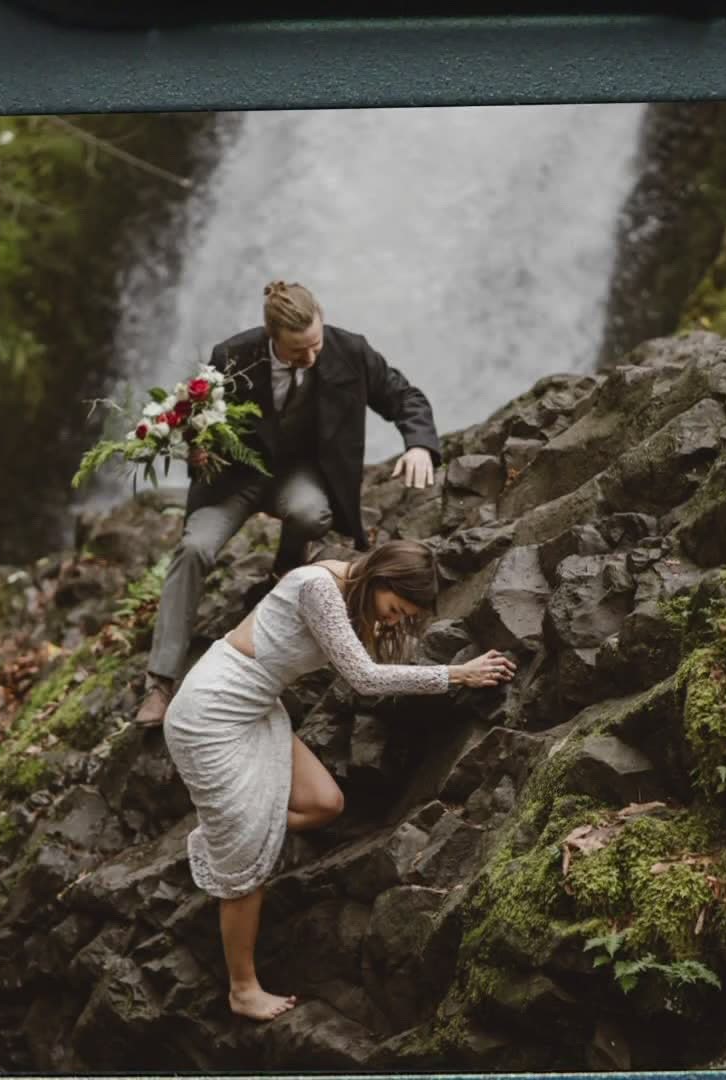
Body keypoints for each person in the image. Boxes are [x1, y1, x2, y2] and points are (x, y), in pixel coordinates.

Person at [161, 540, 517, 1021]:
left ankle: (233, 832)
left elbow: (377, 655)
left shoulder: (351, 590)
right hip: (209, 716)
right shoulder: (319, 588)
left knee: (324, 804)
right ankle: (242, 987)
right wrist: (457, 675)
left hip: (256, 708)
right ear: (379, 579)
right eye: (394, 609)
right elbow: (365, 679)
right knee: (245, 866)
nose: (393, 621)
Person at [135, 279, 443, 727]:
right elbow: (192, 422)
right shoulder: (233, 356)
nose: (311, 358)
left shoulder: (349, 350)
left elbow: (403, 396)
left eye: (315, 344)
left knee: (311, 512)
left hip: (298, 476)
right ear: (271, 337)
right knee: (194, 549)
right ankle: (159, 681)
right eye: (299, 352)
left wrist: (419, 445)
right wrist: (197, 447)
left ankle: (282, 575)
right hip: (233, 479)